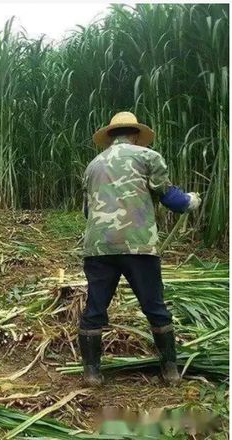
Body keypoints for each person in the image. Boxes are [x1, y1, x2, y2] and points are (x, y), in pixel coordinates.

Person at [79, 111, 201, 386]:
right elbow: (170, 197)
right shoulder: (148, 157)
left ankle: (92, 373)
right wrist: (191, 201)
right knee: (154, 306)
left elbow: (88, 211)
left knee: (95, 308)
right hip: (138, 246)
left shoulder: (93, 165)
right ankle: (169, 371)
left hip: (98, 247)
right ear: (135, 134)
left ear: (111, 136)